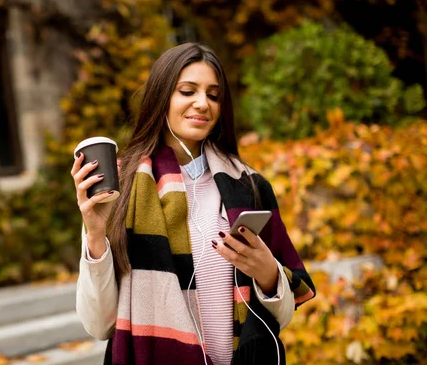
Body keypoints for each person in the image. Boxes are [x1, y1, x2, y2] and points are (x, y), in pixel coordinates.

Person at [70, 42, 315, 365]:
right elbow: (99, 324)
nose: (202, 104)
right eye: (187, 91)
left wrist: (269, 275)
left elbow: (279, 320)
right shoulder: (122, 186)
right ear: (161, 98)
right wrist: (96, 232)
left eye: (213, 95)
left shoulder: (250, 187)